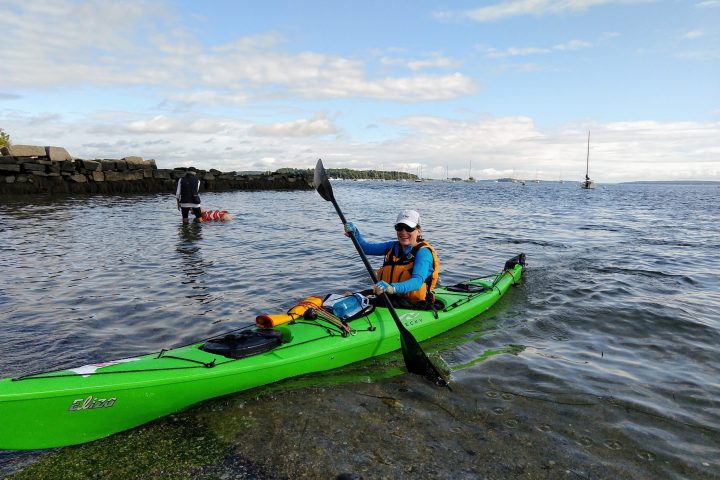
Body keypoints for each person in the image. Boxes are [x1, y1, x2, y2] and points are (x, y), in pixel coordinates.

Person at [344, 209, 440, 308]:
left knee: (361, 301)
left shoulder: (424, 252)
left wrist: (392, 288)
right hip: (392, 297)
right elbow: (366, 249)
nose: (403, 232)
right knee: (352, 297)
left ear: (419, 231)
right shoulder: (393, 246)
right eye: (399, 228)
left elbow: (417, 282)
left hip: (416, 303)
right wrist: (355, 235)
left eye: (409, 228)